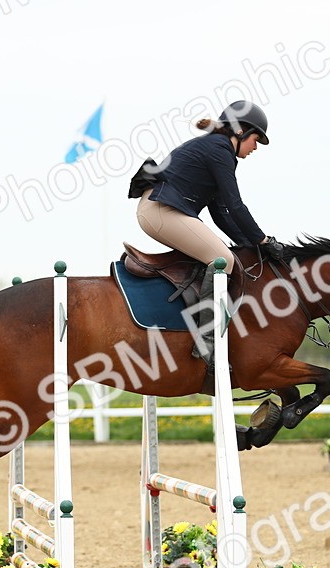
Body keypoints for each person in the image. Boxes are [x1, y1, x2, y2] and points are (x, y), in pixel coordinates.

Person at [132, 100, 284, 368]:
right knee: (222, 261)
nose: (256, 147)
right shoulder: (219, 150)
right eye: (256, 140)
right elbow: (235, 205)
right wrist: (262, 240)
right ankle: (207, 342)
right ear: (241, 131)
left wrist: (249, 245)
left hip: (161, 210)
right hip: (160, 210)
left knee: (224, 255)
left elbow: (221, 212)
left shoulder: (216, 148)